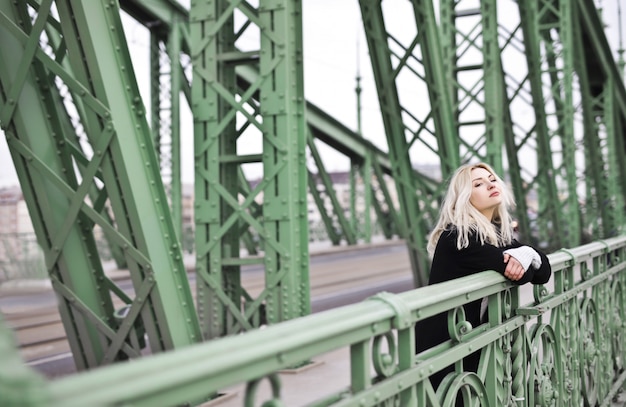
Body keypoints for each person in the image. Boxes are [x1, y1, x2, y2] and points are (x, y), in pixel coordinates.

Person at [415, 162, 552, 392]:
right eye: (478, 183)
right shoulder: (459, 235)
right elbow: (522, 274)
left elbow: (544, 271)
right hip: (444, 349)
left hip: (469, 341)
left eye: (492, 179)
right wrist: (526, 256)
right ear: (465, 197)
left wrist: (526, 253)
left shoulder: (497, 233)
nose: (489, 185)